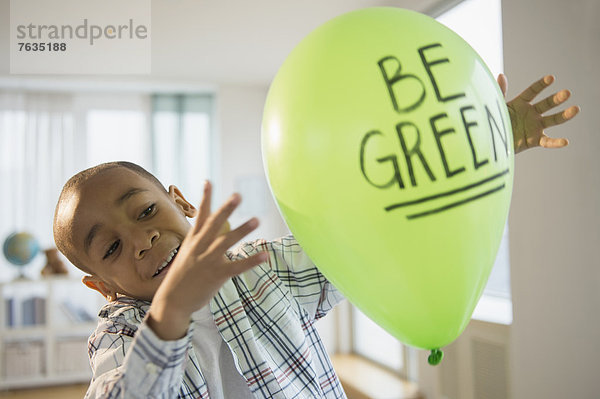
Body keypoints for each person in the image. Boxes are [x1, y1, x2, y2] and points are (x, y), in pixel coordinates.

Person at [52, 74, 579, 399]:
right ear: (102, 287)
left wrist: (483, 144)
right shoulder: (121, 337)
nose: (141, 239)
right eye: (114, 248)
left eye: (145, 211)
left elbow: (374, 231)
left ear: (183, 203)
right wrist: (167, 319)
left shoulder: (262, 268)